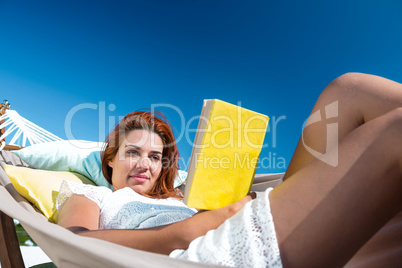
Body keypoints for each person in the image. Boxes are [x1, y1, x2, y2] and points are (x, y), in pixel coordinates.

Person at [57, 72, 402, 268]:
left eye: (156, 156)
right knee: (394, 134)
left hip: (253, 223)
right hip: (200, 256)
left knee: (349, 92)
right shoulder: (95, 195)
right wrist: (194, 228)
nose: (145, 164)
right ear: (111, 159)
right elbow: (71, 243)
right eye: (133, 152)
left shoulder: (182, 193)